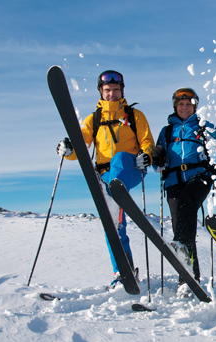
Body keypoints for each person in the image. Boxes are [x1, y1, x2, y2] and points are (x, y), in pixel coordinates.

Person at [56, 70, 155, 286]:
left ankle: (116, 197)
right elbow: (81, 146)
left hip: (131, 168)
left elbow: (147, 142)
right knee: (113, 225)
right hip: (105, 175)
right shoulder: (94, 119)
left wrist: (146, 156)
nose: (112, 94)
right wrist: (69, 149)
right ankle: (123, 272)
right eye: (107, 90)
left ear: (122, 91)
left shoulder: (134, 116)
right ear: (101, 91)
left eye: (116, 90)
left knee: (119, 158)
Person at [150, 87, 216, 298]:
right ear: (175, 107)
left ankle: (182, 252)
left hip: (200, 176)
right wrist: (157, 158)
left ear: (195, 106)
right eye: (181, 104)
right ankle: (188, 279)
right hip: (173, 180)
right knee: (181, 224)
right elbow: (157, 161)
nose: (185, 108)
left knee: (187, 205)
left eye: (189, 104)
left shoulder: (203, 126)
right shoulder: (166, 131)